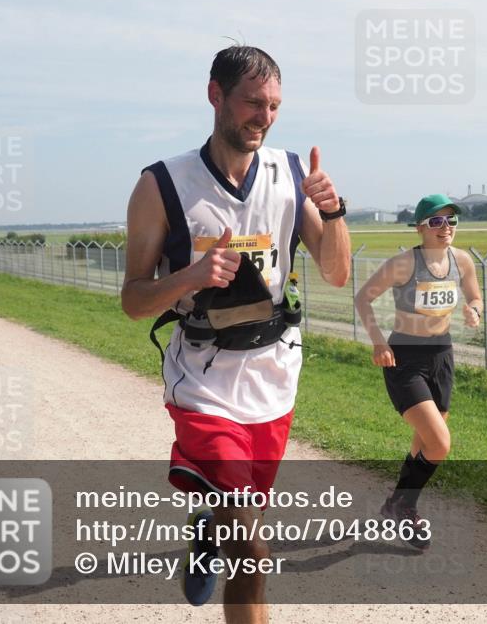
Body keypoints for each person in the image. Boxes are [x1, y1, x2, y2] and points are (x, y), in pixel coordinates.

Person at [121, 46, 350, 620]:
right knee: (252, 549)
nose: (264, 116)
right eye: (252, 102)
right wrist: (191, 277)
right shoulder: (163, 184)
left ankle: (208, 526)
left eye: (273, 105)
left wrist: (335, 210)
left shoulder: (291, 173)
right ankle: (222, 529)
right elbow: (132, 300)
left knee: (242, 522)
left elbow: (337, 271)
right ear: (215, 95)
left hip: (274, 376)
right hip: (203, 381)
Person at [354, 194, 483, 551]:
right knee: (440, 443)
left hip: (441, 355)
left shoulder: (462, 261)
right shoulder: (403, 264)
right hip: (404, 358)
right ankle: (405, 505)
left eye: (451, 221)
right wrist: (378, 342)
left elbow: (475, 296)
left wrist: (474, 310)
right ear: (421, 227)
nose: (446, 229)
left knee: (426, 441)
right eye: (437, 222)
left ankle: (398, 504)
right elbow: (363, 297)